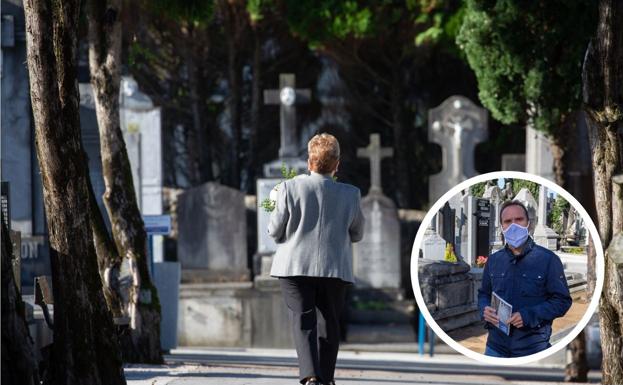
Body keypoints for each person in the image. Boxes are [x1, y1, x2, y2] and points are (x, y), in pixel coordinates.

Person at [268, 133, 365, 385]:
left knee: (303, 318)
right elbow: (357, 234)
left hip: (294, 265)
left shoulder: (288, 188)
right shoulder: (351, 194)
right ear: (337, 164)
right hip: (334, 266)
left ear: (309, 162)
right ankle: (326, 378)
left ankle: (310, 375)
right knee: (328, 322)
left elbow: (275, 231)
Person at [478, 200, 572, 357]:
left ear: (528, 223)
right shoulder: (494, 260)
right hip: (496, 346)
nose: (513, 225)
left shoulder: (548, 259)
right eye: (507, 221)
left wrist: (529, 316)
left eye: (519, 219)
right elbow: (484, 294)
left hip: (533, 348)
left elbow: (562, 301)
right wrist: (484, 309)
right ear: (501, 227)